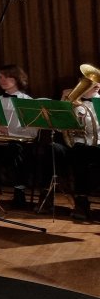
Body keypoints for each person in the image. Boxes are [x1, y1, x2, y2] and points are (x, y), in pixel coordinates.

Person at [0, 64, 36, 209]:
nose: (3, 80)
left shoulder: (28, 101)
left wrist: (6, 131)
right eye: (0, 77)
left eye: (7, 77)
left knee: (15, 149)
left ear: (17, 79)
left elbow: (32, 133)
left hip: (18, 143)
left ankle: (19, 193)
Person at [54, 78, 100, 221]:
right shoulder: (72, 101)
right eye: (93, 82)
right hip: (76, 146)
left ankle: (82, 201)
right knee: (79, 151)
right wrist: (64, 102)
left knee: (82, 153)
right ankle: (81, 202)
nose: (97, 85)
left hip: (97, 146)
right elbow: (58, 127)